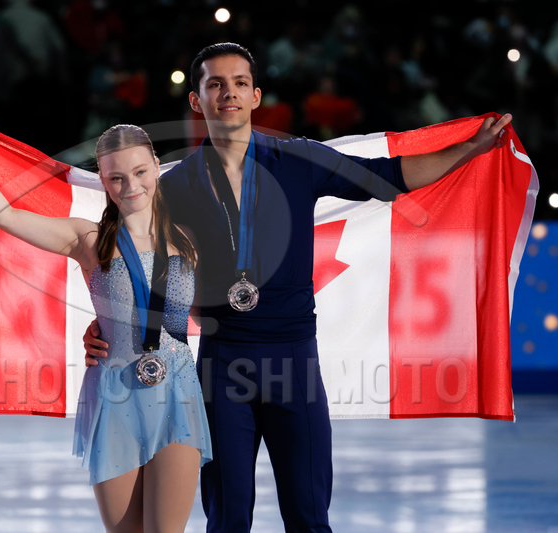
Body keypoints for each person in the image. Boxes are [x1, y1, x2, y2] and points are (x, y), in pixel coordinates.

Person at [84, 43, 512, 533]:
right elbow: (135, 262)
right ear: (197, 100)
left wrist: (469, 149)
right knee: (227, 520)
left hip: (295, 364)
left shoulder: (298, 159)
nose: (229, 93)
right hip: (221, 367)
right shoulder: (174, 186)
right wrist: (108, 325)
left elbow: (387, 177)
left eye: (240, 83)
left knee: (309, 517)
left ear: (256, 96)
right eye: (215, 84)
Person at [0, 117, 212, 533]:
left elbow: (212, 312)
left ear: (157, 166)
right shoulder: (89, 240)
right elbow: (4, 216)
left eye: (139, 172)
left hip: (178, 394)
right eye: (116, 178)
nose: (130, 186)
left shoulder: (188, 240)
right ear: (102, 181)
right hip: (115, 395)